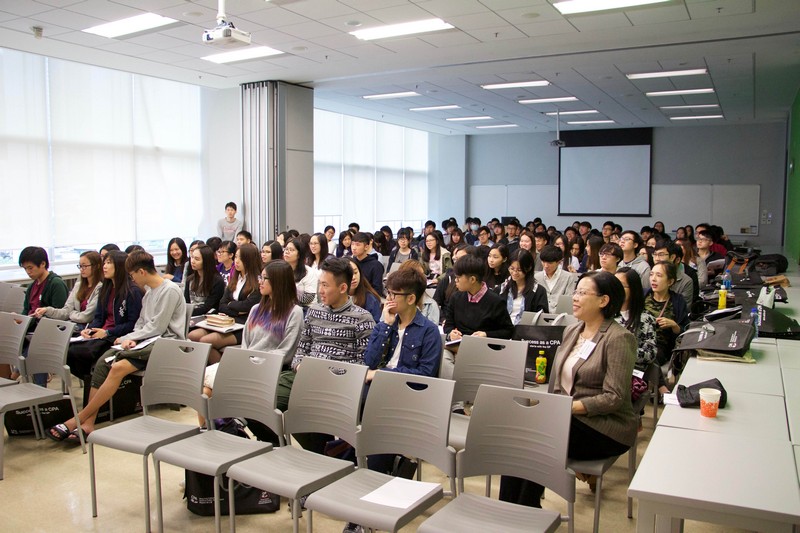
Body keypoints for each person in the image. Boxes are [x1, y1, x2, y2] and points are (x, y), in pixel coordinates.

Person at [500, 271, 637, 506]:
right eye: (576, 291)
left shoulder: (618, 338)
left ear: (603, 301)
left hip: (605, 426)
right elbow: (558, 384)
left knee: (535, 438)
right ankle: (512, 511)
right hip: (568, 417)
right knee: (520, 435)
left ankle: (525, 512)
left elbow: (614, 397)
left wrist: (566, 409)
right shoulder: (573, 330)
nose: (575, 297)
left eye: (583, 293)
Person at [48, 251, 186, 443]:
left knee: (117, 365)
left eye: (132, 275)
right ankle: (88, 423)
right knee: (103, 362)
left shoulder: (169, 290)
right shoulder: (149, 294)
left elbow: (158, 327)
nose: (131, 279)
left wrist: (128, 338)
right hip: (147, 341)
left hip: (167, 344)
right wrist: (130, 338)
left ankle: (78, 419)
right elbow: (141, 324)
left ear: (141, 272)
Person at [277, 258, 375, 454]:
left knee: (307, 410)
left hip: (338, 384)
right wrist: (299, 366)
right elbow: (301, 350)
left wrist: (330, 373)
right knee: (267, 399)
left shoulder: (362, 318)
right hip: (306, 377)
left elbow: (363, 363)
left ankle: (325, 453)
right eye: (319, 284)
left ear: (342, 287)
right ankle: (322, 451)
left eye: (325, 285)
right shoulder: (314, 312)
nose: (320, 290)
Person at [200, 259, 304, 434]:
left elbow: (286, 351)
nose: (260, 282)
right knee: (203, 391)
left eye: (265, 279)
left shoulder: (294, 312)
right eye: (260, 277)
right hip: (246, 363)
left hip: (270, 368)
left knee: (218, 391)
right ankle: (210, 433)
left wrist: (253, 362)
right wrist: (245, 360)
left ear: (278, 282)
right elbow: (246, 343)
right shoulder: (257, 309)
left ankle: (227, 430)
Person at [65, 251, 143, 379]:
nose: (104, 266)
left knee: (81, 353)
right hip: (101, 334)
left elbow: (132, 324)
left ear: (120, 265)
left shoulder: (132, 291)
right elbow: (98, 317)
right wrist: (90, 330)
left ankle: (93, 382)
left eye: (109, 263)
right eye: (104, 263)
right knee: (67, 349)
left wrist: (107, 332)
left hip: (116, 336)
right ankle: (90, 380)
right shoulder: (105, 289)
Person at [442, 254, 514, 381]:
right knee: (441, 357)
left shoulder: (495, 301)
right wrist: (451, 333)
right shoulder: (456, 298)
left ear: (472, 279)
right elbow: (448, 325)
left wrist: (486, 334)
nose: (455, 281)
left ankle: (457, 391)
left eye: (458, 278)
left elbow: (508, 331)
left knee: (462, 362)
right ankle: (455, 392)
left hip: (482, 349)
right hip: (457, 346)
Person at [189, 243, 262, 364]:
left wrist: (231, 305)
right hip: (227, 321)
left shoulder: (257, 282)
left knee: (205, 341)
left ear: (250, 260)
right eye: (236, 257)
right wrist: (235, 308)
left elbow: (248, 306)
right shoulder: (235, 278)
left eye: (241, 258)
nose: (237, 261)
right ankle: (212, 368)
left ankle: (222, 372)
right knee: (193, 336)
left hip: (244, 325)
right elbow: (222, 305)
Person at [645, 261, 690, 396]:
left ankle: (656, 388)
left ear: (670, 281)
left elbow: (684, 332)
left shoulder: (677, 301)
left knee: (651, 354)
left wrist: (674, 325)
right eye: (651, 274)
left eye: (659, 275)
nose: (653, 279)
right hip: (639, 341)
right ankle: (662, 387)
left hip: (661, 346)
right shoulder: (643, 296)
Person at [34, 250, 103, 328]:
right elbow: (65, 311)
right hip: (73, 326)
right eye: (80, 266)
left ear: (97, 266)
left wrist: (70, 313)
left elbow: (86, 317)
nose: (81, 269)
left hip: (87, 328)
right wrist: (47, 310)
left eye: (84, 266)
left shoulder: (100, 288)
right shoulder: (78, 286)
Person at [615, 268, 657, 372]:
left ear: (633, 289)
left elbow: (651, 353)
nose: (616, 289)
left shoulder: (645, 318)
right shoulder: (605, 316)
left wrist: (624, 352)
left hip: (632, 371)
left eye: (622, 286)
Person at [500, 249, 548, 325]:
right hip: (503, 331)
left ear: (529, 268)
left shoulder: (538, 291)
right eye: (512, 269)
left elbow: (542, 318)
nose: (515, 273)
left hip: (526, 332)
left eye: (519, 270)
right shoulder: (502, 289)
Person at [19, 246, 68, 320]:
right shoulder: (31, 286)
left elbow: (59, 315)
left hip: (43, 327)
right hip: (29, 325)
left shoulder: (56, 284)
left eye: (30, 268)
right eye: (25, 268)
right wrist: (19, 319)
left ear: (43, 264)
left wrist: (26, 321)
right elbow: (26, 311)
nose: (28, 272)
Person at [534, 245, 578, 313]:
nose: (546, 266)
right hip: (539, 316)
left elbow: (568, 300)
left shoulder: (568, 277)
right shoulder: (536, 277)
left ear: (559, 262)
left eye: (550, 263)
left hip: (561, 316)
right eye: (543, 262)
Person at [185, 244, 225, 316]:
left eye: (197, 259)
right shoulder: (190, 279)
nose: (192, 261)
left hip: (208, 318)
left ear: (206, 261)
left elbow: (208, 307)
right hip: (190, 316)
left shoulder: (217, 281)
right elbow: (186, 303)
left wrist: (187, 313)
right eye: (192, 257)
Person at [398, 259, 440, 324]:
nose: (423, 279)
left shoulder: (431, 305)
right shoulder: (393, 300)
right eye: (418, 276)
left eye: (423, 275)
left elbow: (431, 332)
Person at [653, 241, 694, 307]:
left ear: (673, 257)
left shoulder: (686, 281)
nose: (656, 259)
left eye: (661, 255)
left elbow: (684, 309)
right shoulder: (651, 275)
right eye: (655, 254)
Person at [283, 238, 318, 309]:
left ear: (299, 255)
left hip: (306, 308)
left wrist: (288, 296)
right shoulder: (281, 270)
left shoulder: (308, 272)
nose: (287, 252)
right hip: (286, 306)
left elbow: (309, 298)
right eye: (286, 249)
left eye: (291, 250)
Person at [346, 257, 382, 322]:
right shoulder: (334, 298)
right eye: (348, 274)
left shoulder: (370, 300)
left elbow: (375, 327)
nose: (353, 277)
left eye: (355, 272)